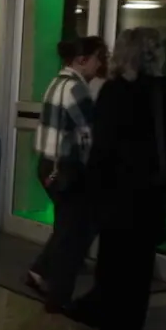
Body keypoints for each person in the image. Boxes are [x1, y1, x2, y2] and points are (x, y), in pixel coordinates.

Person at [71, 27, 166, 330]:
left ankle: (103, 316)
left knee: (112, 257)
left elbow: (102, 145)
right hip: (147, 189)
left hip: (113, 188)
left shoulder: (112, 91)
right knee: (138, 265)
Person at [27, 36, 107, 313]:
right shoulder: (76, 89)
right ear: (82, 59)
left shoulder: (57, 82)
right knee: (73, 235)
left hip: (49, 166)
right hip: (67, 169)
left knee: (66, 228)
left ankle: (41, 272)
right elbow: (88, 134)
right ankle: (58, 296)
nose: (100, 64)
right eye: (98, 58)